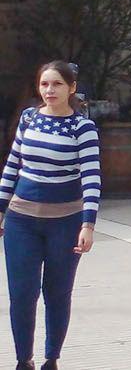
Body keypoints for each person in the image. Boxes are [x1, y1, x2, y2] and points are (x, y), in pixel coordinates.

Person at [0, 62, 100, 370]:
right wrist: (1, 208)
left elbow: (92, 177)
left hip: (65, 222)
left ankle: (51, 358)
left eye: (56, 84)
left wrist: (88, 224)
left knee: (57, 293)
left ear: (71, 88)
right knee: (22, 294)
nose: (49, 91)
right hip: (21, 220)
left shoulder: (82, 127)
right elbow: (13, 164)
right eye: (44, 84)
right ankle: (22, 360)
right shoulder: (29, 119)